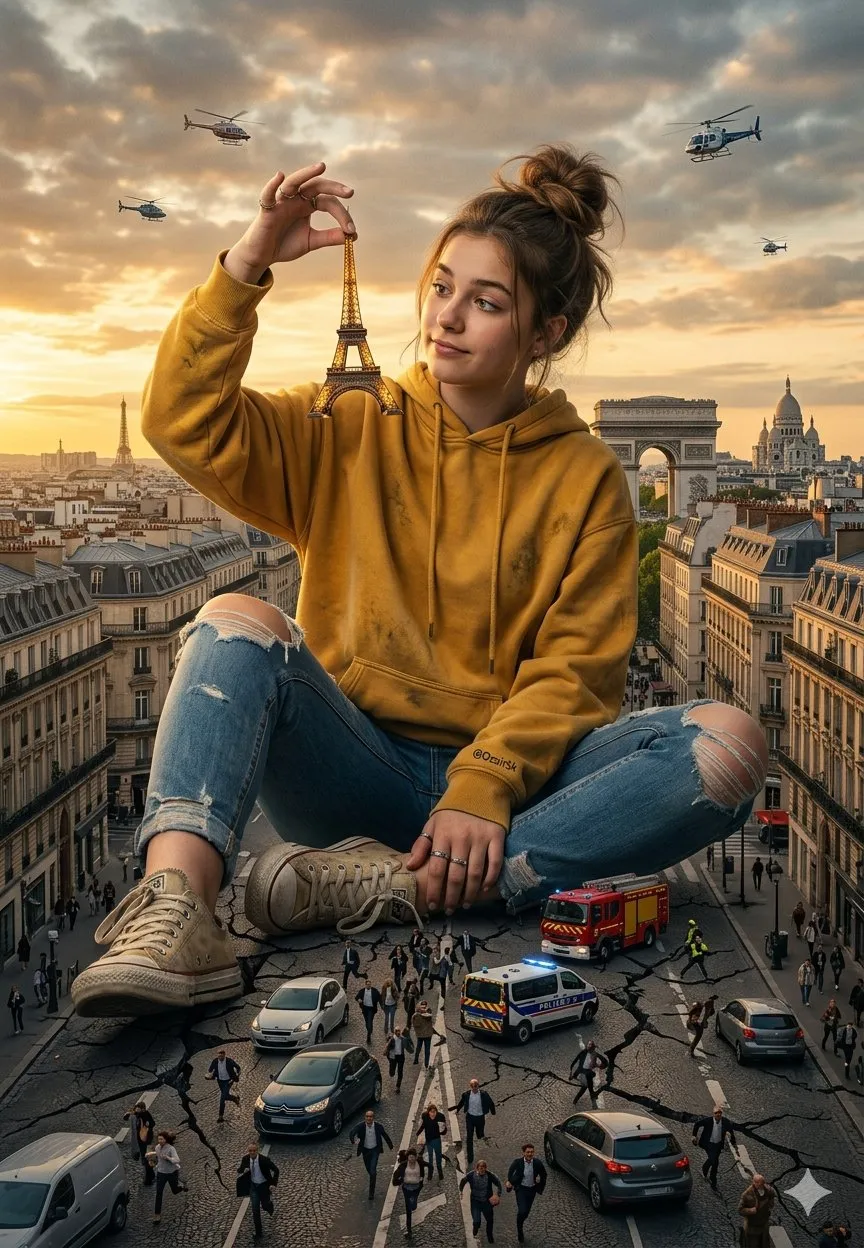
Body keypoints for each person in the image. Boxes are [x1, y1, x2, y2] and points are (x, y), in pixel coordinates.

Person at [70, 145, 768, 1020]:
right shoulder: (347, 423)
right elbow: (183, 419)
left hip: (511, 789)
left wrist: (484, 784)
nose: (447, 318)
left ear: (544, 334)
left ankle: (400, 884)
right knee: (235, 615)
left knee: (730, 744)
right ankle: (176, 911)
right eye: (442, 287)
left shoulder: (587, 475)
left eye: (486, 302)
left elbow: (576, 671)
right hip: (356, 765)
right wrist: (247, 263)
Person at [236, 1142, 279, 1241]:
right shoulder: (246, 1159)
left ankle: (269, 1205)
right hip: (253, 1187)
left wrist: (273, 1183)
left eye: (254, 1150)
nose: (252, 1152)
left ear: (257, 1150)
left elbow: (276, 1170)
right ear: (248, 1151)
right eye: (250, 1151)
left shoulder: (264, 1160)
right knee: (255, 1210)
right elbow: (241, 1168)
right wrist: (240, 1171)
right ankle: (258, 1232)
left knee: (264, 1205)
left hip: (264, 1186)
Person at [505, 1144, 547, 1244]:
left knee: (526, 1212)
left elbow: (544, 1175)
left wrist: (540, 1184)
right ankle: (520, 1230)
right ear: (523, 1153)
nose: (530, 1154)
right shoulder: (517, 1162)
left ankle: (520, 1220)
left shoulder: (537, 1163)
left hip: (532, 1190)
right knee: (522, 1210)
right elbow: (510, 1172)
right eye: (528, 1152)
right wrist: (509, 1182)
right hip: (521, 1190)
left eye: (531, 1152)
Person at [349, 1109, 393, 1200]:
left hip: (375, 1150)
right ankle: (373, 1175)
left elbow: (385, 1135)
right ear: (365, 1117)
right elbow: (352, 1132)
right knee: (369, 1169)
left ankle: (371, 1193)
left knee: (372, 1171)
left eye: (370, 1116)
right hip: (365, 1151)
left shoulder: (378, 1126)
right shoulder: (360, 1126)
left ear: (373, 1118)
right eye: (367, 1116)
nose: (369, 1118)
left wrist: (390, 1146)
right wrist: (353, 1141)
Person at [451, 1078, 496, 1164]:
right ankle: (470, 1157)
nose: (474, 1088)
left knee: (480, 1134)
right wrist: (457, 1110)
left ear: (478, 1086)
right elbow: (461, 1102)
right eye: (473, 1087)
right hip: (470, 1118)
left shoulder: (483, 1094)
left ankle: (480, 1137)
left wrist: (493, 1112)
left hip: (480, 1118)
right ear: (470, 1087)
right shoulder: (466, 1095)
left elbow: (490, 1102)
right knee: (469, 1137)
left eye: (476, 1086)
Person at [691, 1105, 736, 1190]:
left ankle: (706, 1169)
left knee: (714, 1161)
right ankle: (713, 1181)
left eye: (720, 1113)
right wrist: (694, 1136)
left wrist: (733, 1142)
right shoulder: (708, 1121)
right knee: (714, 1162)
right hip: (708, 1144)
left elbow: (731, 1131)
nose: (718, 1115)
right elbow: (697, 1124)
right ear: (713, 1114)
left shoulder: (725, 1122)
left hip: (718, 1145)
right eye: (716, 1113)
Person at [459, 1159, 502, 1243]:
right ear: (477, 1168)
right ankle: (475, 1227)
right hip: (475, 1202)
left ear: (486, 1168)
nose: (482, 1169)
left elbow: (498, 1183)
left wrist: (497, 1194)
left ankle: (489, 1235)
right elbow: (463, 1181)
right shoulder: (471, 1175)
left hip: (486, 1202)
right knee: (476, 1221)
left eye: (484, 1167)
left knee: (490, 1220)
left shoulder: (490, 1175)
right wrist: (461, 1191)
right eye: (480, 1167)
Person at [391, 1147, 427, 1240]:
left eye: (413, 1157)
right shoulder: (403, 1165)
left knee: (413, 1206)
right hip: (406, 1189)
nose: (411, 1159)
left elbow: (429, 1166)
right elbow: (396, 1175)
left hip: (416, 1188)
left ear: (415, 1157)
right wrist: (399, 1181)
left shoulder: (420, 1163)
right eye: (410, 1157)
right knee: (408, 1210)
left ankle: (414, 1202)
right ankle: (409, 1231)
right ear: (407, 1157)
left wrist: (423, 1177)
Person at [737, 1174, 776, 1248]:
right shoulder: (747, 1194)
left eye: (762, 1183)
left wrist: (771, 1203)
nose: (760, 1185)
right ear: (754, 1183)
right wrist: (750, 1210)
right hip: (752, 1226)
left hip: (764, 1224)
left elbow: (772, 1196)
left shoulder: (768, 1190)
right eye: (758, 1183)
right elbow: (740, 1210)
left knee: (764, 1244)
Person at [124, 1100, 156, 1186]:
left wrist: (147, 1124)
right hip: (140, 1142)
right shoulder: (135, 1116)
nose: (138, 1110)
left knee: (147, 1160)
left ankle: (148, 1180)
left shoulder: (145, 1114)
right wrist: (128, 1114)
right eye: (137, 1108)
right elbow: (126, 1118)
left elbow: (153, 1123)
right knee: (145, 1160)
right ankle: (151, 1176)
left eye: (140, 1109)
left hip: (147, 1141)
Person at [206, 1048, 241, 1122]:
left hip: (228, 1081)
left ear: (224, 1055)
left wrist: (236, 1076)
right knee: (225, 1096)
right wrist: (209, 1075)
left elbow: (238, 1068)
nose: (220, 1058)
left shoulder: (229, 1061)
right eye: (219, 1056)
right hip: (220, 1081)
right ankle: (235, 1098)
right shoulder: (215, 1061)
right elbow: (210, 1070)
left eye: (222, 1056)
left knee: (222, 1099)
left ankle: (220, 1116)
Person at [570, 1039, 608, 1104]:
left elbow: (603, 1061)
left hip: (586, 1072)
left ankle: (588, 1097)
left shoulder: (593, 1054)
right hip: (583, 1073)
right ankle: (576, 1100)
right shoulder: (584, 1053)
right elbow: (576, 1064)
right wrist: (572, 1074)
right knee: (585, 1087)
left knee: (588, 1085)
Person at [417, 1101, 447, 1179]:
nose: (433, 1113)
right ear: (429, 1112)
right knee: (430, 1157)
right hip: (429, 1140)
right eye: (431, 1112)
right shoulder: (425, 1117)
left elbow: (444, 1130)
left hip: (437, 1139)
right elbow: (423, 1125)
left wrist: (443, 1128)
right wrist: (418, 1133)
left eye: (434, 1112)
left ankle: (440, 1172)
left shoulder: (440, 1117)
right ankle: (430, 1173)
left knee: (438, 1156)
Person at [385, 1025, 414, 1093]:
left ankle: (398, 1087)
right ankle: (392, 1072)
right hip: (393, 1057)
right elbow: (386, 1049)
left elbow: (411, 1050)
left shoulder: (403, 1039)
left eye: (399, 1031)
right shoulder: (391, 1039)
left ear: (400, 1032)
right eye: (396, 1031)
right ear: (394, 1032)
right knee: (391, 1073)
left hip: (401, 1057)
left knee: (400, 1071)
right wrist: (389, 1059)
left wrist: (408, 1037)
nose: (398, 1033)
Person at [356, 978, 382, 1045]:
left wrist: (382, 1006)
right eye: (367, 985)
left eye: (369, 985)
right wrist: (359, 999)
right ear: (365, 985)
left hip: (371, 1009)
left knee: (369, 1021)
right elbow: (356, 997)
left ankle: (368, 1037)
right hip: (365, 1009)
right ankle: (370, 1029)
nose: (368, 986)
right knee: (367, 1021)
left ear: (371, 985)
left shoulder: (374, 991)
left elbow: (379, 998)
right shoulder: (362, 991)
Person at [412, 999, 435, 1068]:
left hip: (424, 1034)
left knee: (424, 1049)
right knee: (421, 1048)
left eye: (424, 1006)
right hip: (423, 1034)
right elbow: (416, 1024)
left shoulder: (425, 1013)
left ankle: (425, 1063)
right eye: (422, 1006)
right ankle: (419, 1060)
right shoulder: (417, 1015)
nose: (423, 1008)